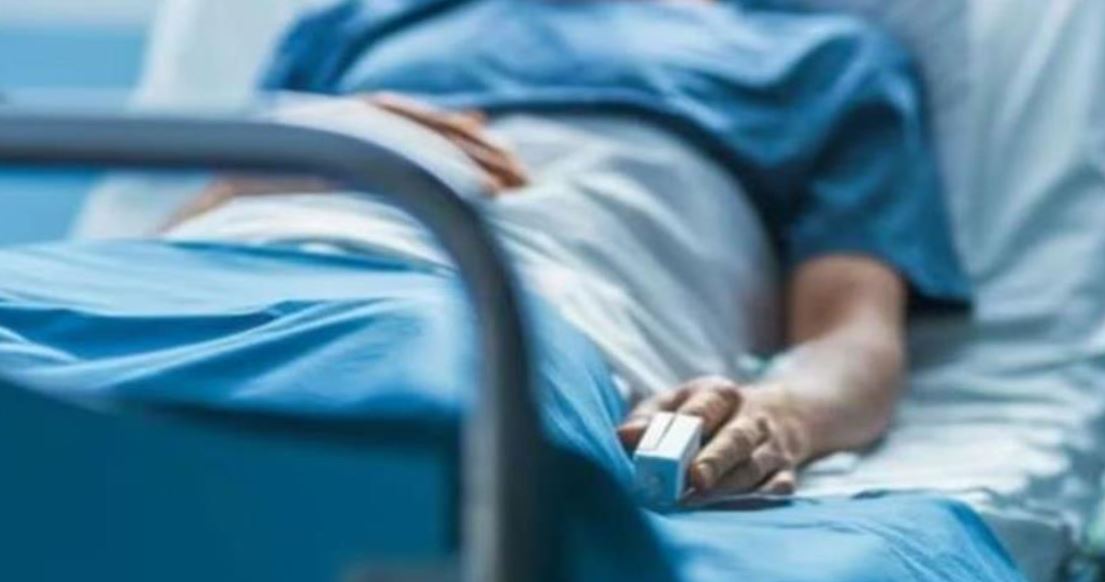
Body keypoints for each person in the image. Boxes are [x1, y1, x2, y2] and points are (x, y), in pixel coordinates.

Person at [166, 0, 970, 504]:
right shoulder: (355, 21)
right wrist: (296, 153)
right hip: (218, 269)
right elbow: (183, 221)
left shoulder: (825, 58)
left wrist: (778, 415)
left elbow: (851, 334)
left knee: (394, 407)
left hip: (518, 297)